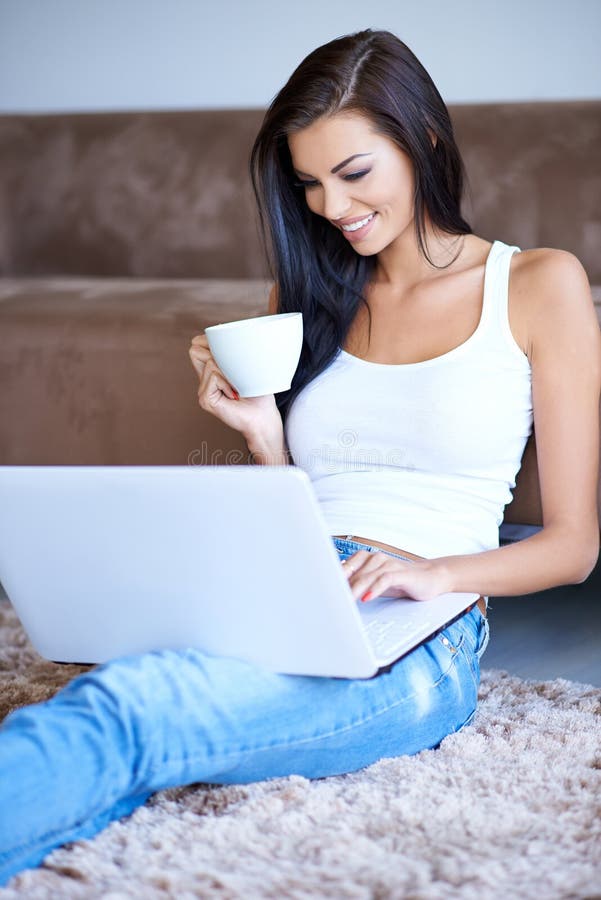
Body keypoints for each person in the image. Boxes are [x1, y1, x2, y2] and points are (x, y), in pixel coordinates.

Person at [0, 28, 599, 885]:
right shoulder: (310, 291)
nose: (328, 207)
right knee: (126, 702)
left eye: (352, 174)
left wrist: (433, 573)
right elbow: (299, 505)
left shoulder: (538, 283)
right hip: (280, 586)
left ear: (423, 141)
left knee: (135, 711)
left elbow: (573, 547)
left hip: (417, 638)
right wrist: (264, 437)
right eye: (309, 182)